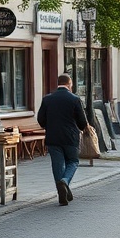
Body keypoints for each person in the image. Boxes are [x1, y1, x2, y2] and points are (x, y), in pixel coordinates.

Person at [36, 73, 89, 206]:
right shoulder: (75, 99)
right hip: (70, 138)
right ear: (69, 84)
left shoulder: (47, 99)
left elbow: (40, 119)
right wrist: (83, 127)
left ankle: (62, 194)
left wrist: (48, 126)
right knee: (73, 161)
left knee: (57, 164)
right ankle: (65, 181)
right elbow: (82, 122)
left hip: (53, 137)